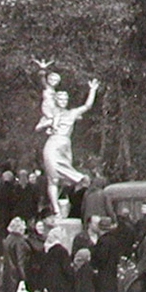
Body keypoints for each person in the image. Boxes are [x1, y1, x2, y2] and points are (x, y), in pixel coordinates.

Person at [39, 69, 100, 218]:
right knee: (53, 178)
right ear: (56, 100)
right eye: (60, 99)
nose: (63, 101)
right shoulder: (51, 113)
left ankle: (63, 203)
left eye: (65, 99)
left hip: (65, 146)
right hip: (52, 145)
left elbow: (87, 106)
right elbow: (38, 127)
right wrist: (48, 123)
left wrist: (92, 90)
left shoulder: (72, 114)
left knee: (62, 181)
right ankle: (56, 210)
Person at [1, 217, 31, 292]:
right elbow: (20, 261)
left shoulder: (8, 239)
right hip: (16, 275)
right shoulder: (19, 241)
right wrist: (24, 278)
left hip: (8, 273)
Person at [91, 216, 122, 292]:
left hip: (103, 273)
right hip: (112, 272)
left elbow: (101, 257)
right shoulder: (115, 240)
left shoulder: (102, 241)